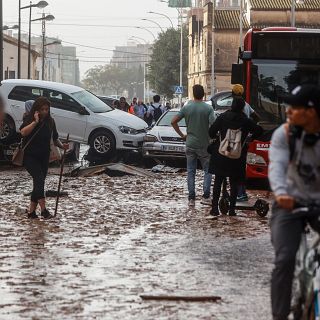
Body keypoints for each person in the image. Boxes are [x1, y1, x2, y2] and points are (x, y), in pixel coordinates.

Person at [268, 84, 320, 320]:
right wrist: (281, 194)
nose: (288, 111)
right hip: (289, 204)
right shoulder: (284, 134)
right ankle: (279, 316)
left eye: (294, 107)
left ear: (311, 111)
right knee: (285, 258)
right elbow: (276, 167)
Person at [208, 97, 262, 216]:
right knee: (234, 182)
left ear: (231, 105)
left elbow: (211, 132)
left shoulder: (222, 117)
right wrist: (248, 139)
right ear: (243, 107)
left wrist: (220, 136)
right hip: (237, 156)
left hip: (221, 154)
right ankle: (231, 210)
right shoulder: (245, 121)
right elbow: (259, 130)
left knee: (218, 180)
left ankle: (214, 209)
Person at [20, 97, 69, 219]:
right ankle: (44, 210)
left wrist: (63, 146)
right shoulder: (29, 119)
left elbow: (55, 137)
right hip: (30, 157)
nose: (45, 112)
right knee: (39, 179)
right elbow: (23, 132)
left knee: (38, 183)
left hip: (44, 157)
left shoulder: (50, 121)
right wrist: (35, 122)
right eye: (42, 109)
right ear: (36, 109)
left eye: (47, 109)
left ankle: (31, 212)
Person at [171, 84, 216, 207]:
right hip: (204, 145)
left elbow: (173, 121)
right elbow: (214, 125)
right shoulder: (208, 109)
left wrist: (182, 135)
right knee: (207, 170)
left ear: (193, 94)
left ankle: (191, 198)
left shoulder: (187, 107)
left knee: (191, 171)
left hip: (189, 143)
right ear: (204, 95)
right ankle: (206, 196)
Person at [230, 84, 257, 202]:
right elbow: (257, 117)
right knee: (241, 167)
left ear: (233, 94)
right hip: (244, 141)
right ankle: (241, 193)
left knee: (234, 168)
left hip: (235, 141)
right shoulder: (247, 105)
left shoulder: (234, 105)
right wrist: (250, 132)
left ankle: (238, 193)